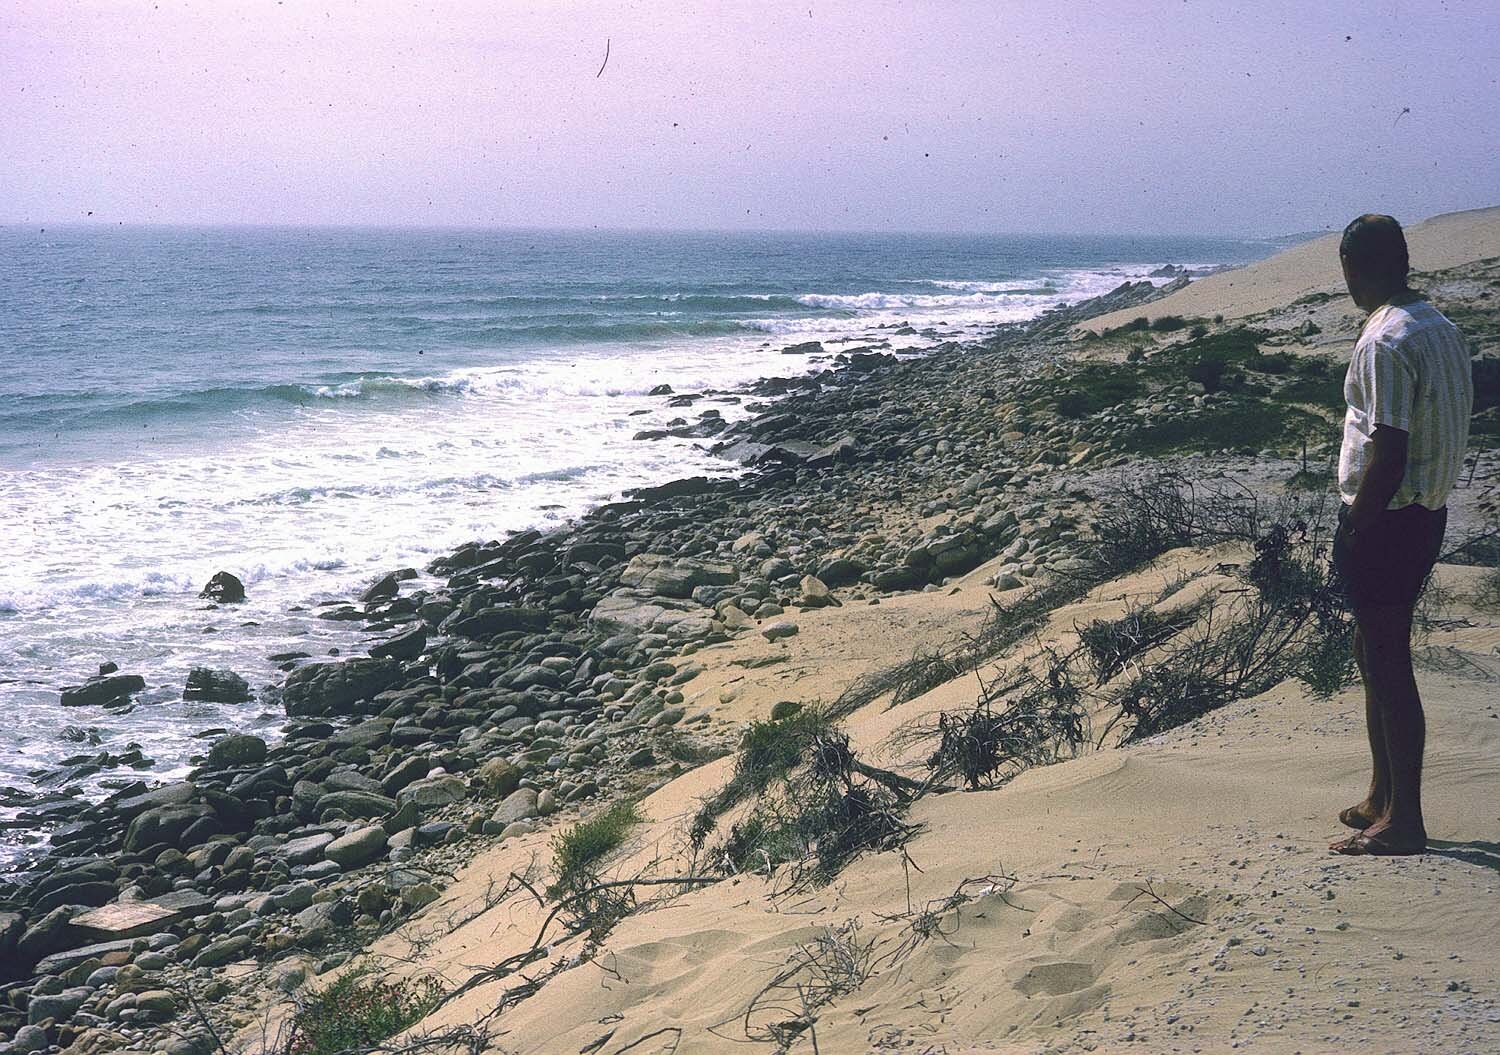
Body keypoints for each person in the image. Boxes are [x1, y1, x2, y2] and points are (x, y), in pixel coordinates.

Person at [1329, 214, 1472, 856]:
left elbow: (1389, 447)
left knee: (1388, 661)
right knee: (1373, 649)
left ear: (1357, 268)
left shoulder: (1385, 339)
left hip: (1390, 518)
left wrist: (1359, 522)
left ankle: (1405, 820)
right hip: (1427, 514)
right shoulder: (1438, 325)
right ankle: (1382, 794)